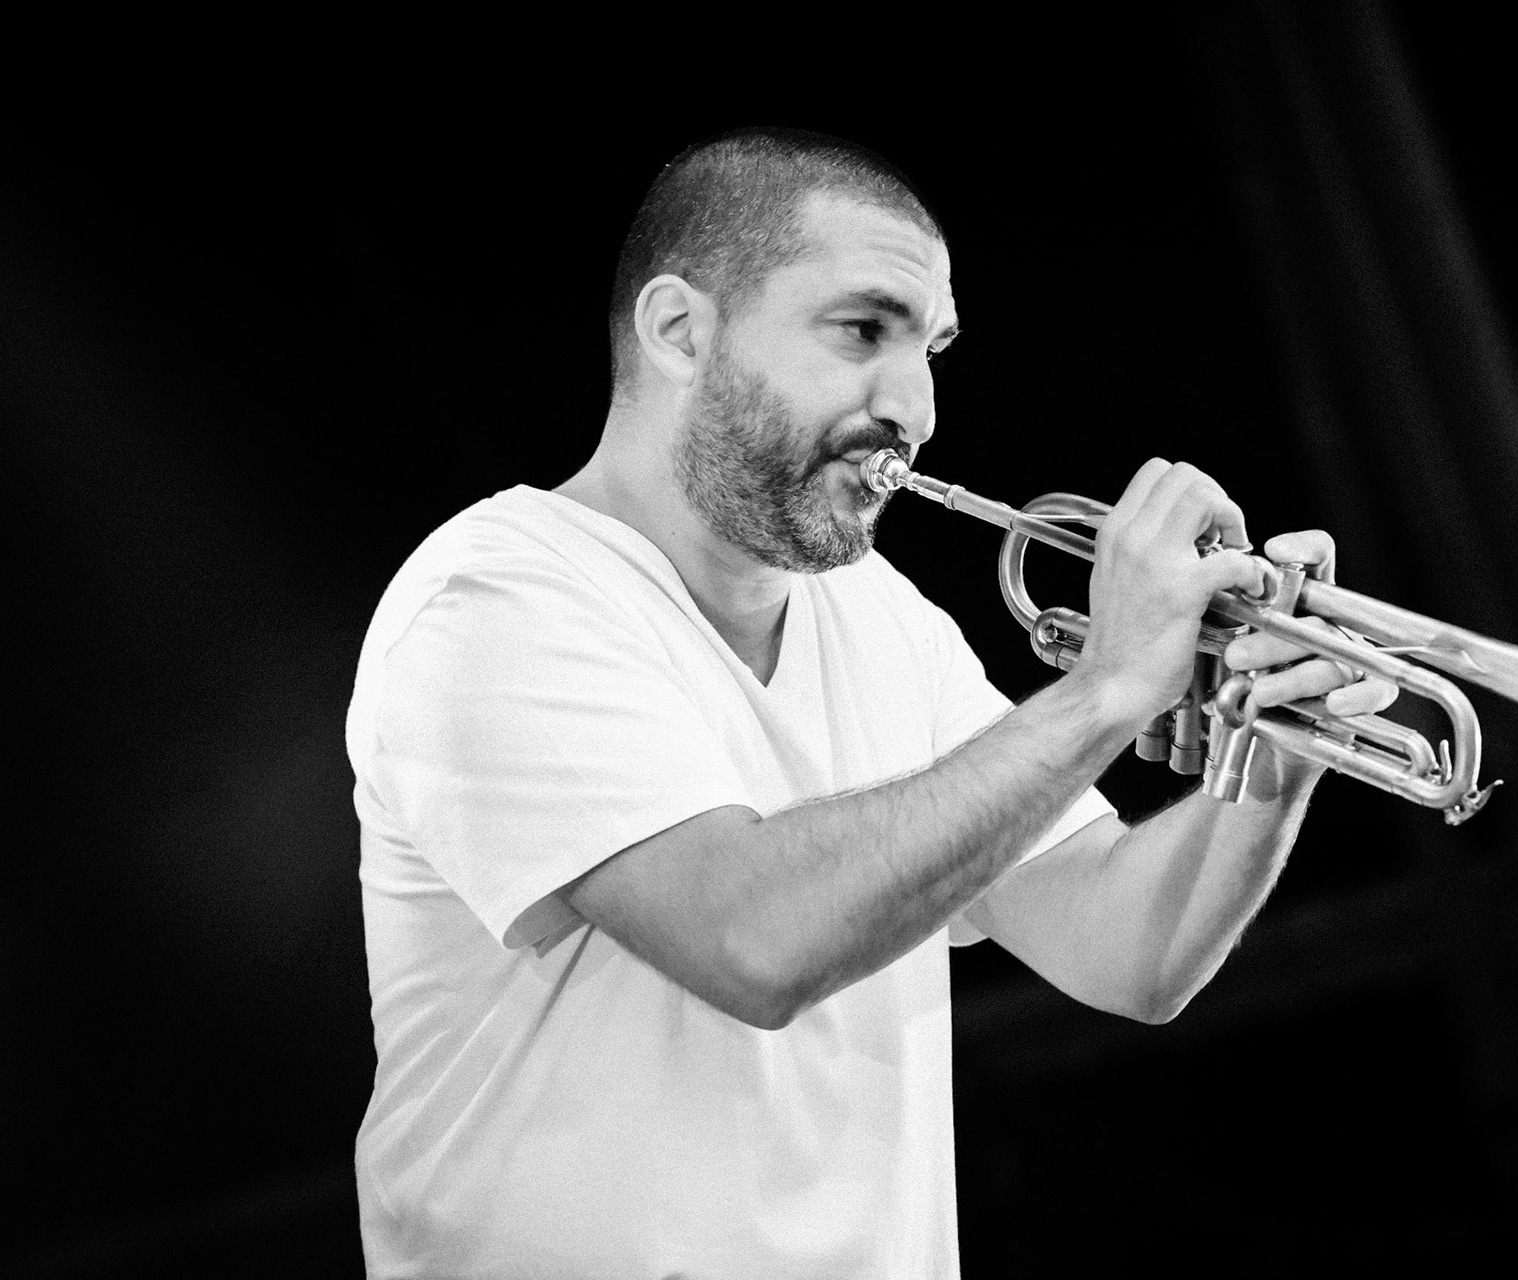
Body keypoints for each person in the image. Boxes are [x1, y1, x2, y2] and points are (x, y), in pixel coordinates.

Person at [345, 126, 1394, 1278]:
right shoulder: (492, 596)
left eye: (933, 348)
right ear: (679, 330)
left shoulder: (878, 615)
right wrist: (1103, 690)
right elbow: (751, 941)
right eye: (863, 330)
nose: (919, 406)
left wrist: (1277, 749)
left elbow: (1128, 950)